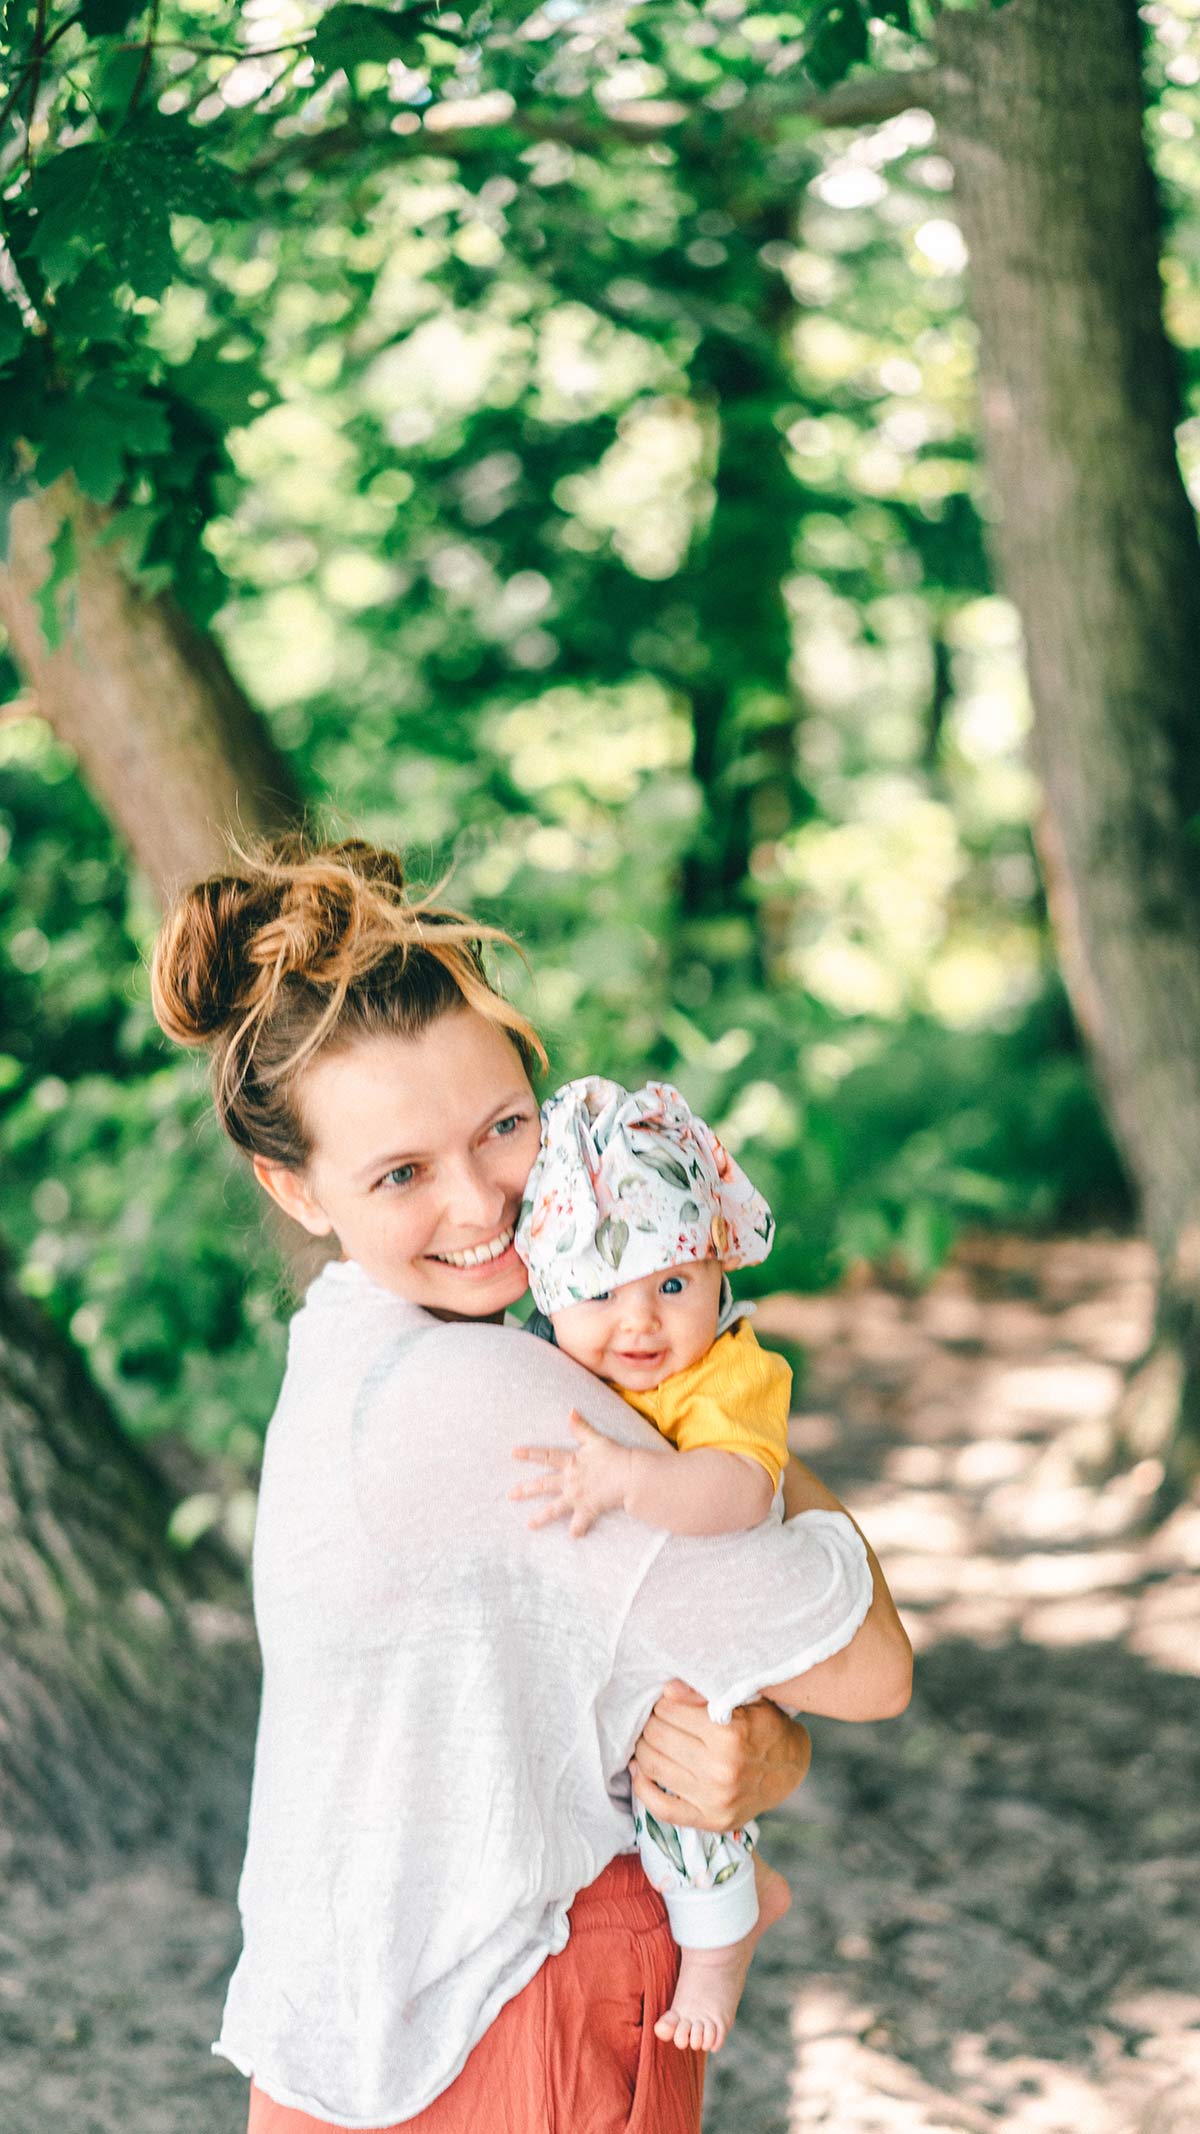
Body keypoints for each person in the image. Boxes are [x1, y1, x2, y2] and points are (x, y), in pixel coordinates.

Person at [150, 835, 912, 2134]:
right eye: (401, 1172)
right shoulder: (485, 1400)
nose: (484, 1200)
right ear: (293, 1183)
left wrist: (755, 1753)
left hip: (376, 2034)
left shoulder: (353, 1347)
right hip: (519, 2029)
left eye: (505, 1125)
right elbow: (871, 1663)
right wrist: (726, 1387)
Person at [510, 1073, 795, 2055]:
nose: (639, 1322)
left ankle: (724, 1941)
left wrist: (631, 1480)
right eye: (599, 1289)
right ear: (550, 1295)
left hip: (717, 1655)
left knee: (683, 1801)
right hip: (643, 1636)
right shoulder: (548, 1368)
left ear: (719, 1274)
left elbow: (740, 1492)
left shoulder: (727, 1372)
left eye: (671, 1283)